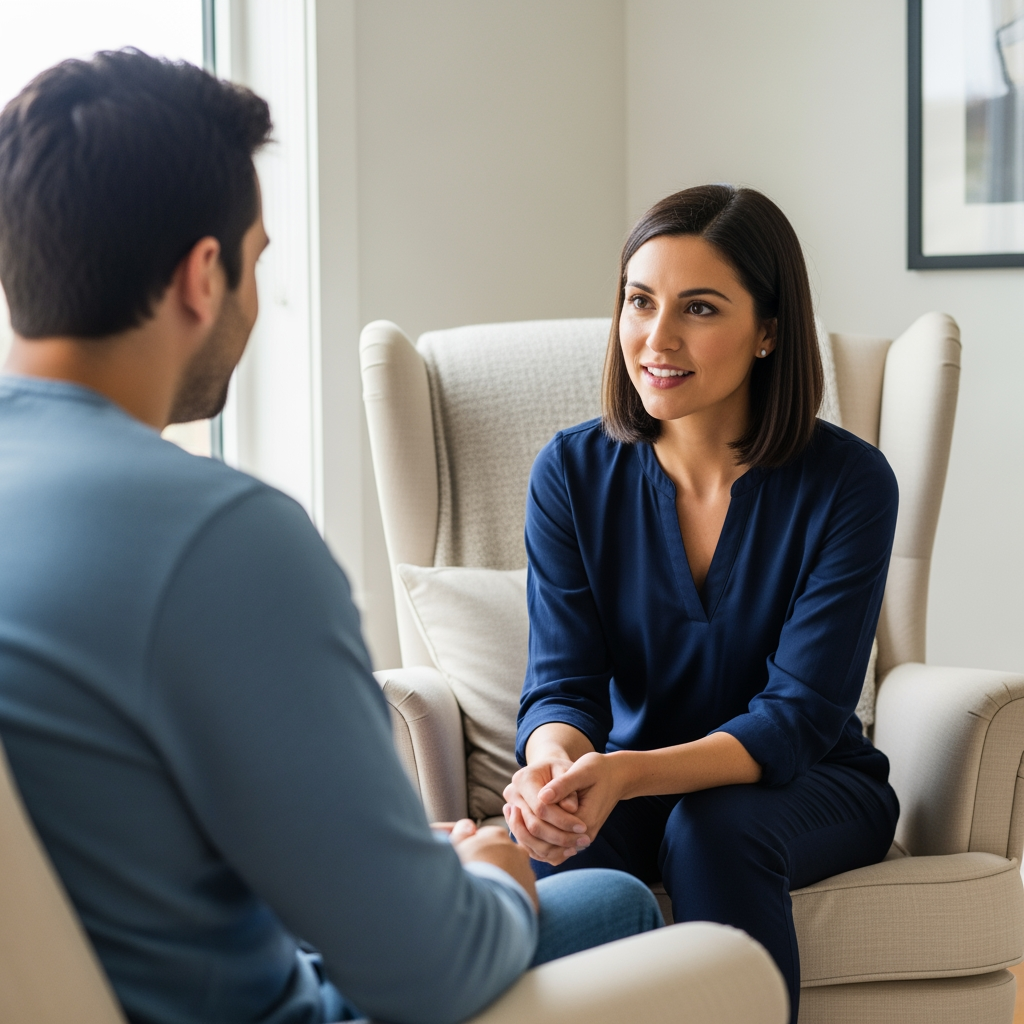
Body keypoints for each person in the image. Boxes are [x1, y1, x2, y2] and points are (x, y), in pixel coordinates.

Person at [0, 50, 661, 1024]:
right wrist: (489, 870)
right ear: (203, 275)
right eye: (257, 261)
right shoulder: (223, 539)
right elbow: (432, 971)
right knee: (616, 902)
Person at [503, 185, 901, 1022]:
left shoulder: (851, 485)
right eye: (640, 301)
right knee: (544, 850)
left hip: (809, 785)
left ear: (768, 331)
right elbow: (562, 683)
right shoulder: (570, 474)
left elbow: (795, 718)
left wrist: (625, 773)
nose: (657, 337)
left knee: (714, 829)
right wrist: (554, 767)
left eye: (700, 308)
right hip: (630, 780)